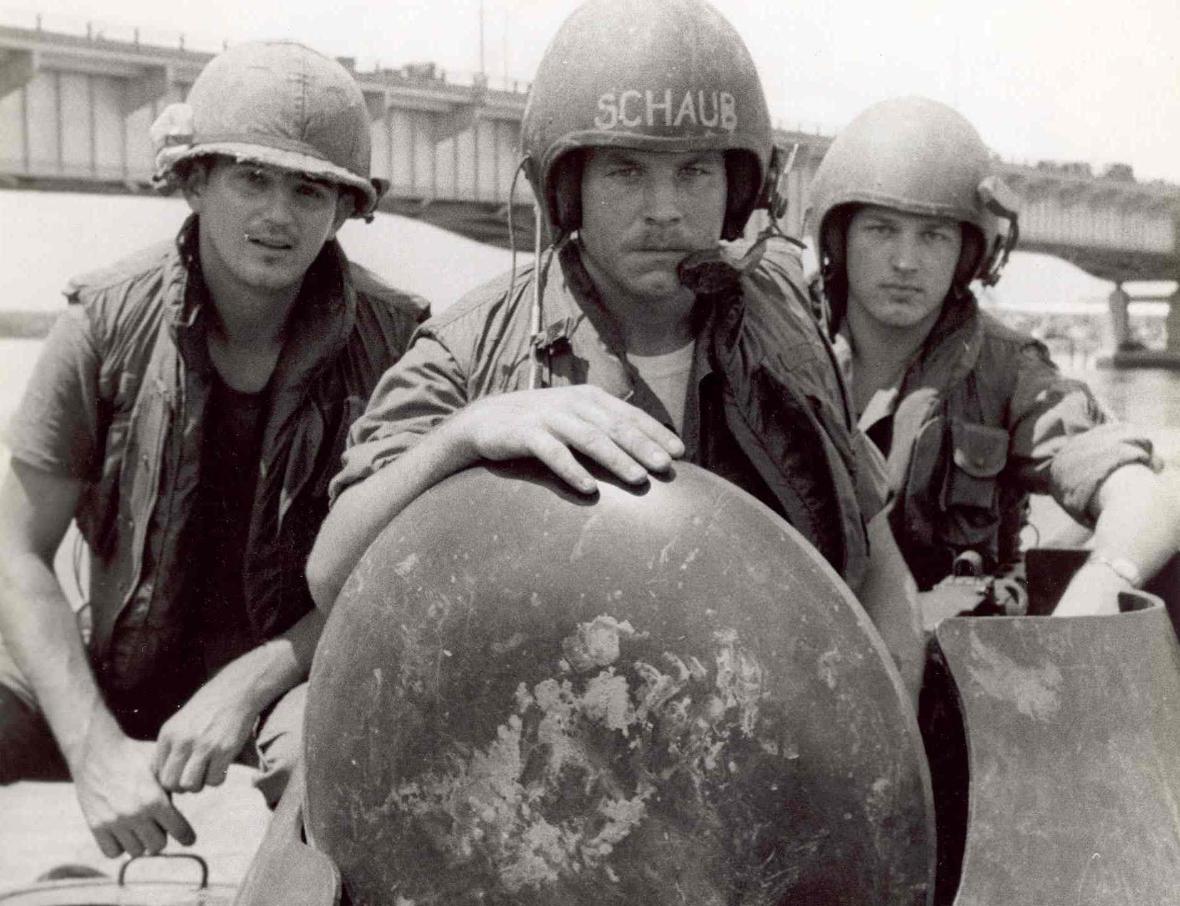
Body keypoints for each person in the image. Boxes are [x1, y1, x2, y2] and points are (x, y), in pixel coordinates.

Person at [306, 0, 925, 696]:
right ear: (569, 191)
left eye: (695, 172)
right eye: (626, 172)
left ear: (736, 188)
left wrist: (884, 732)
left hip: (762, 732)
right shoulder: (470, 348)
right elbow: (332, 574)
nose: (664, 209)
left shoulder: (784, 328)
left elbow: (876, 564)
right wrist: (464, 437)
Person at [0, 42, 427, 859]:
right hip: (120, 675)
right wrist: (94, 754)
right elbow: (16, 552)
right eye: (251, 179)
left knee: (343, 770)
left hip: (300, 683)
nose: (278, 215)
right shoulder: (103, 323)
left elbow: (407, 578)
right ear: (193, 182)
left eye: (310, 190)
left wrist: (256, 678)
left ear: (345, 209)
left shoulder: (403, 346)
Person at [804, 95, 1180, 616]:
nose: (906, 261)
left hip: (952, 650)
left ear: (970, 255)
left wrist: (1104, 579)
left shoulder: (1007, 368)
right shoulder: (776, 340)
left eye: (934, 236)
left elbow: (1146, 493)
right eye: (880, 229)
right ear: (839, 239)